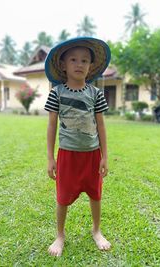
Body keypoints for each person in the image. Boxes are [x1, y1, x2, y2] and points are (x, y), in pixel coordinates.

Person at [44, 37, 111, 257]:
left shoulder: (95, 94)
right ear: (63, 65)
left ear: (91, 66)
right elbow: (52, 125)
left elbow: (100, 125)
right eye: (73, 59)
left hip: (92, 155)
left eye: (84, 60)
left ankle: (96, 230)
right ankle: (60, 235)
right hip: (67, 156)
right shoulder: (57, 93)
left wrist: (104, 156)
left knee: (96, 195)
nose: (79, 64)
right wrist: (50, 158)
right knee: (62, 197)